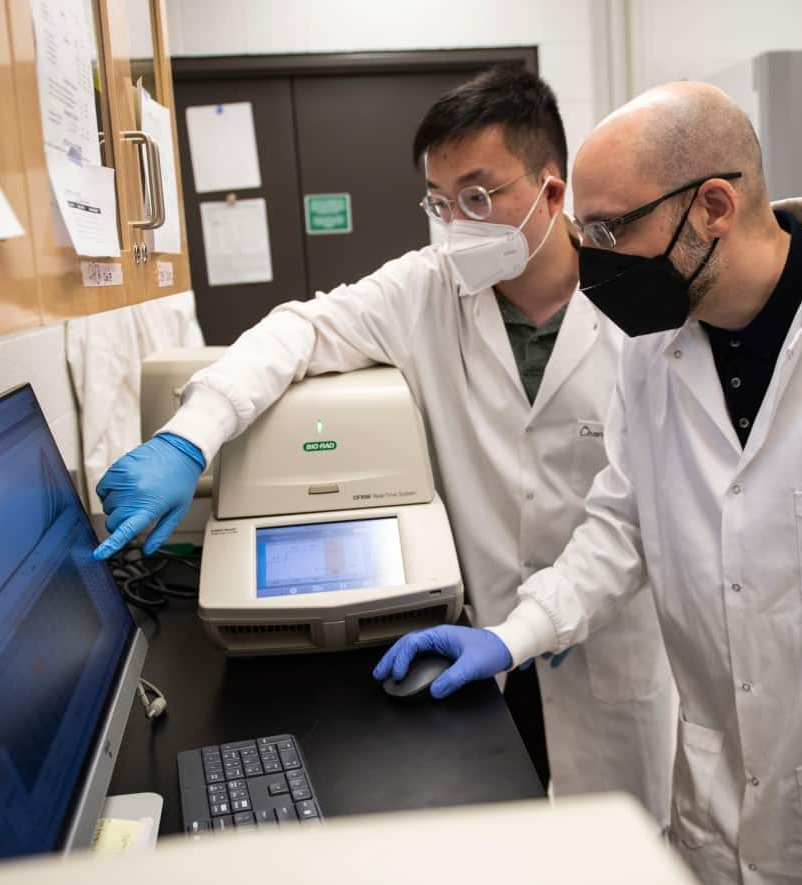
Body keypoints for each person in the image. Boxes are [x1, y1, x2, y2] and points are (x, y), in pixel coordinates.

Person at [375, 81, 802, 884]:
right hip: (716, 808)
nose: (590, 256)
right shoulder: (652, 348)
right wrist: (512, 637)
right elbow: (620, 527)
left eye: (609, 228)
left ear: (713, 207)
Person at [90, 68, 675, 821]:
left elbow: (631, 516)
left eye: (476, 196)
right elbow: (301, 329)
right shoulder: (427, 290)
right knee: (504, 833)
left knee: (620, 849)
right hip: (480, 641)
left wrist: (534, 625)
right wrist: (188, 439)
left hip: (610, 646)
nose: (453, 223)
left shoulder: (641, 310)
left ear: (552, 192)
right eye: (438, 201)